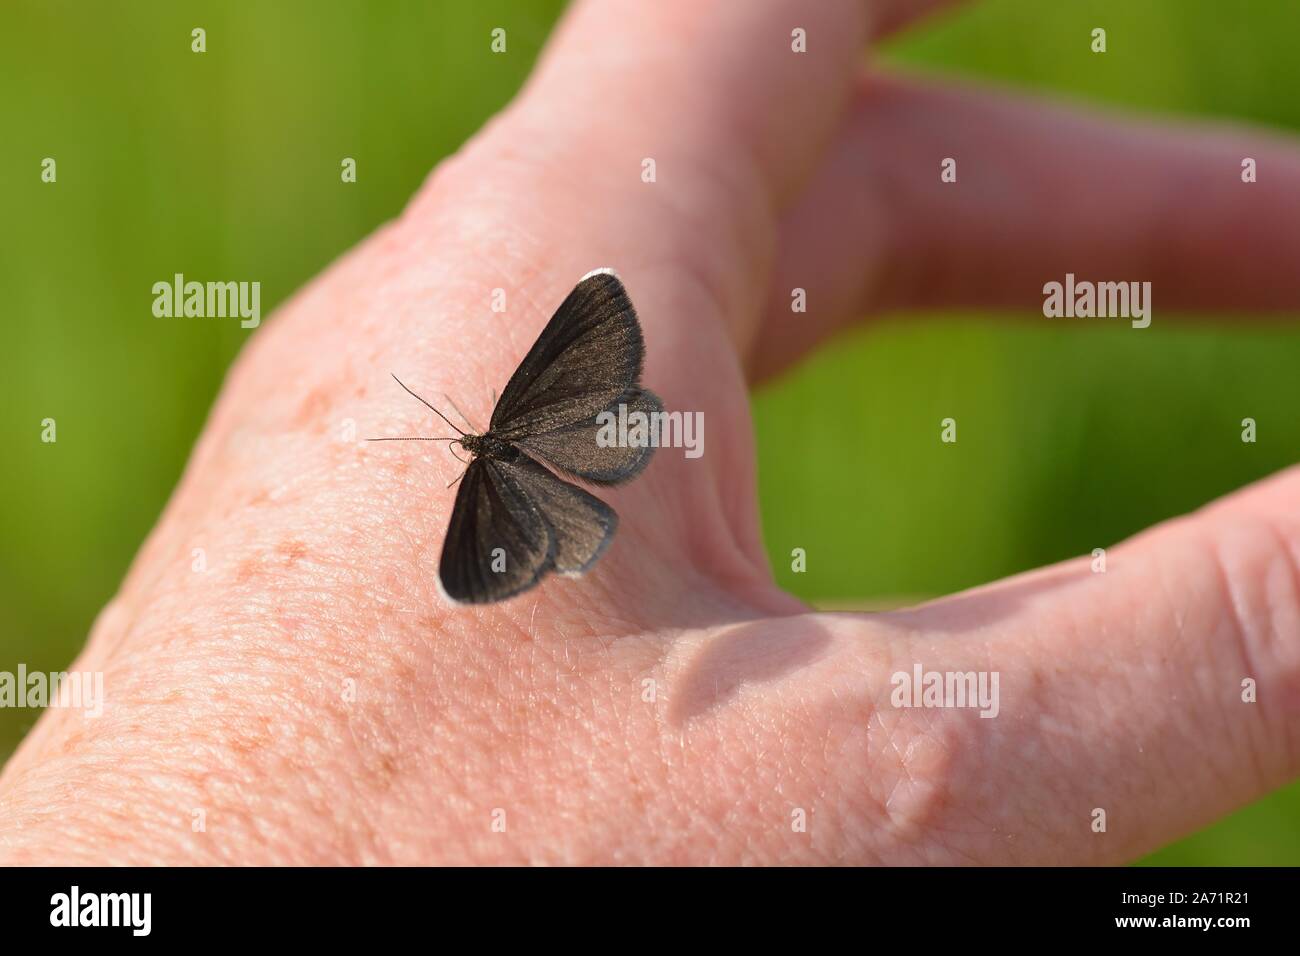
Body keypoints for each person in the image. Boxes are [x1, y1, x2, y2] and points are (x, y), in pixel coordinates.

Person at [3, 0, 1299, 864]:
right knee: (566, 489)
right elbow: (504, 507)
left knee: (558, 487)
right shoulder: (500, 471)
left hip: (555, 466)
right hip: (572, 459)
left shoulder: (500, 445)